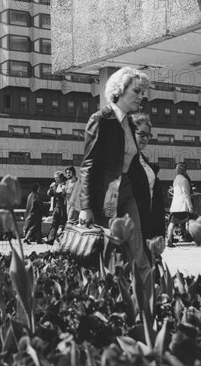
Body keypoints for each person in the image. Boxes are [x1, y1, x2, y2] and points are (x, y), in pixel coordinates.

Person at [77, 67, 152, 283]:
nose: (141, 97)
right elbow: (88, 165)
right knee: (108, 251)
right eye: (136, 91)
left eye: (142, 93)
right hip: (105, 195)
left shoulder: (128, 121)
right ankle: (109, 293)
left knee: (137, 246)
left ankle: (148, 297)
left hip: (126, 191)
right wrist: (86, 206)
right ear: (120, 90)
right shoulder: (101, 119)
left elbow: (133, 162)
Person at [129, 113, 165, 241]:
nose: (145, 138)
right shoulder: (124, 159)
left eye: (148, 135)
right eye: (141, 134)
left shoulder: (142, 159)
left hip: (147, 222)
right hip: (130, 223)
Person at [167, 162, 193, 247]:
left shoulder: (175, 180)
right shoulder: (184, 180)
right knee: (190, 220)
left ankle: (169, 240)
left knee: (172, 223)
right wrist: (190, 206)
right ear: (184, 171)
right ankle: (191, 236)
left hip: (175, 206)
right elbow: (186, 194)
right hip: (182, 205)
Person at [45, 171, 67, 245]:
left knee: (63, 224)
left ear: (61, 177)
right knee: (54, 224)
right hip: (56, 207)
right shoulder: (54, 185)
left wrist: (63, 191)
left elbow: (66, 196)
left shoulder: (65, 184)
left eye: (56, 177)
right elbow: (49, 194)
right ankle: (50, 240)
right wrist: (50, 188)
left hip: (64, 207)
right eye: (54, 177)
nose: (55, 179)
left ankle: (62, 239)